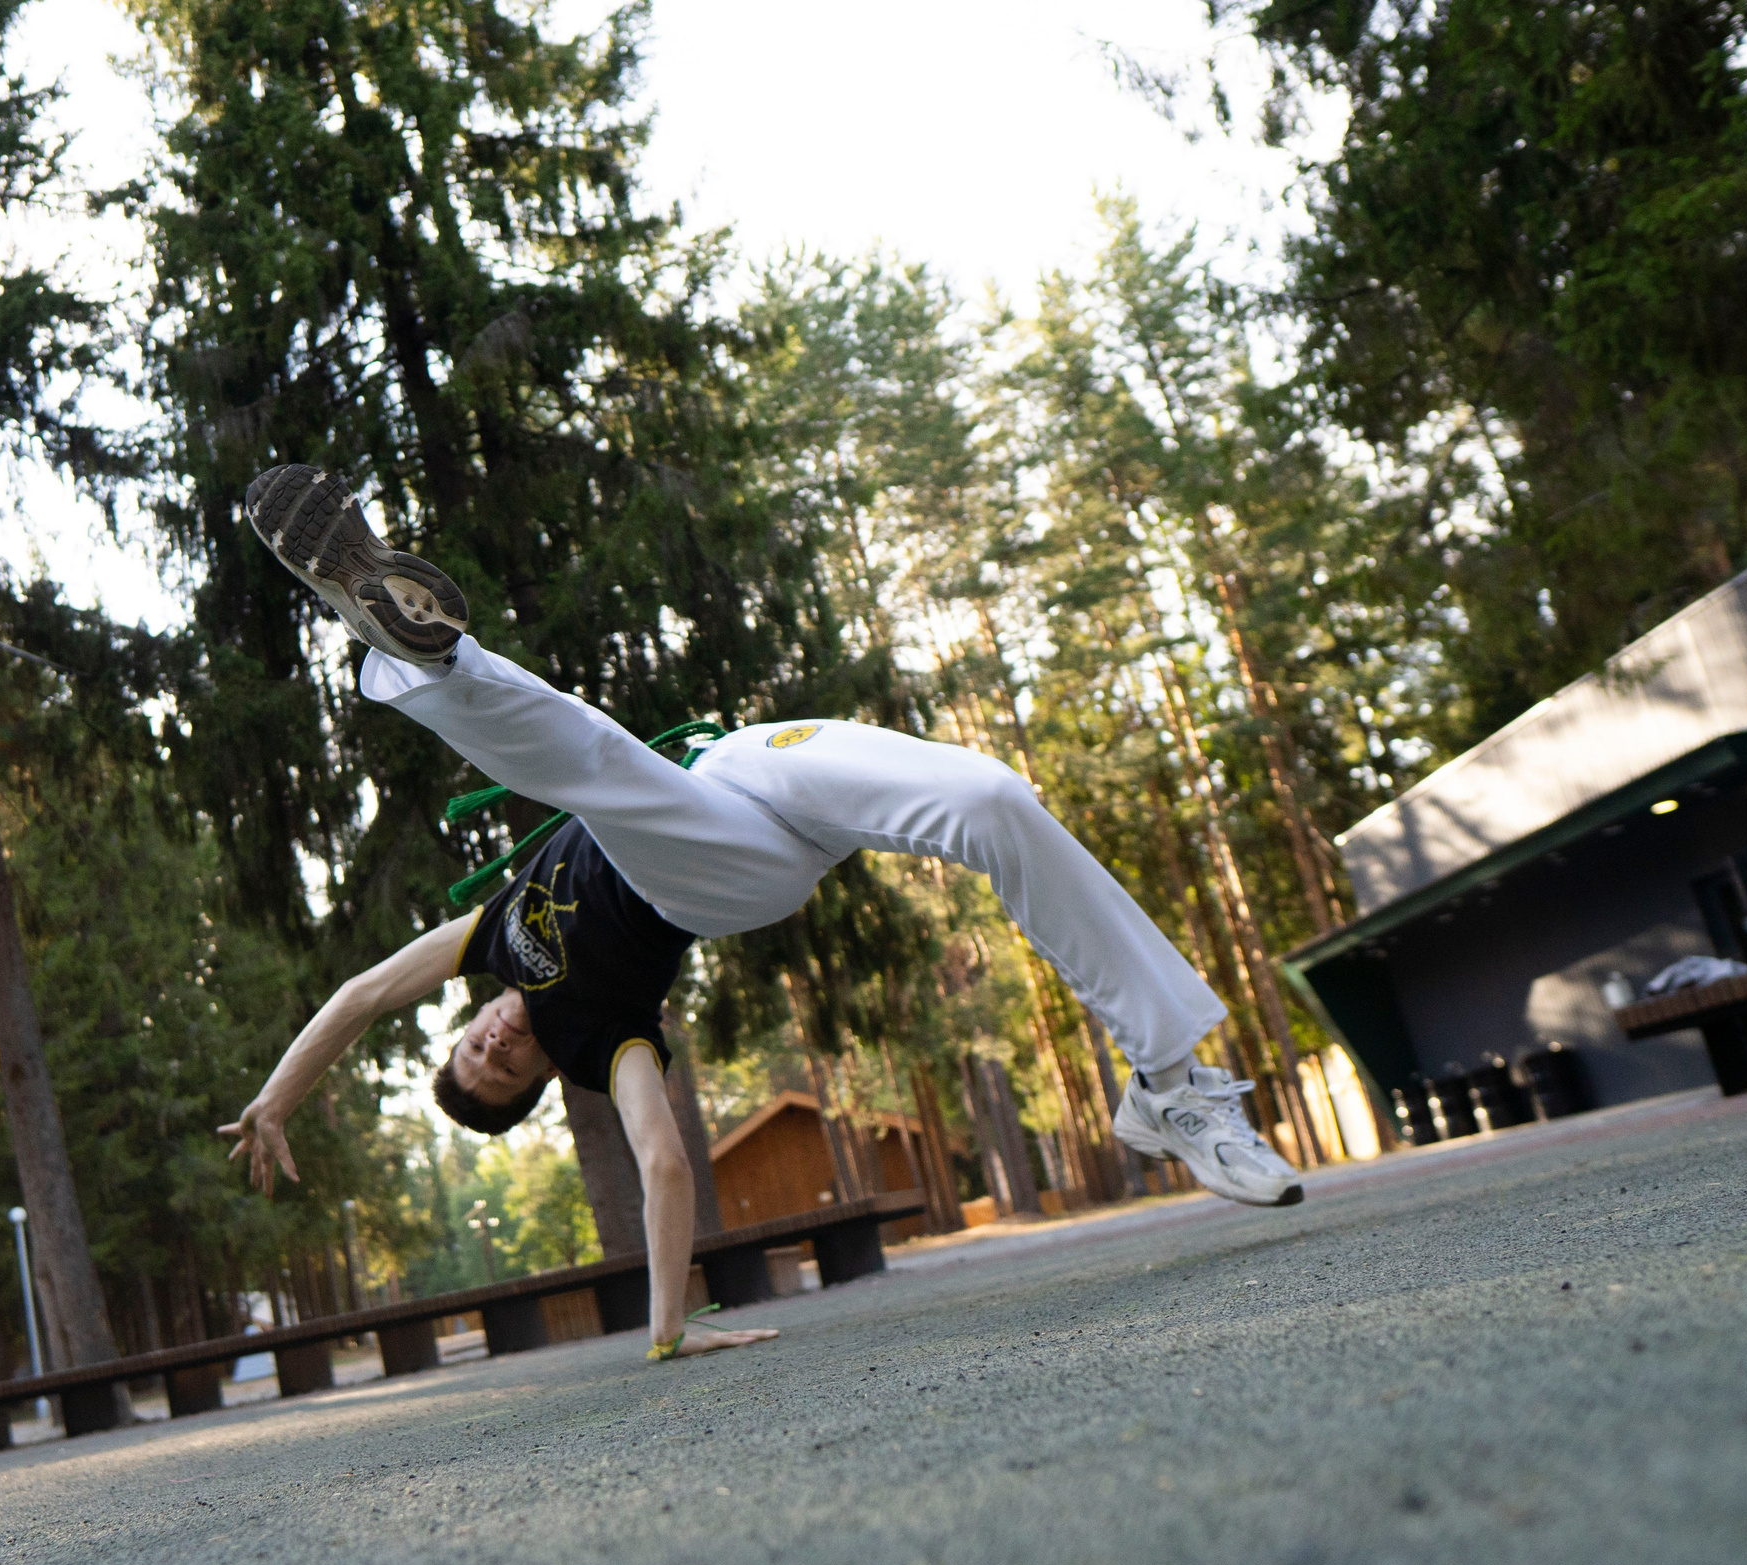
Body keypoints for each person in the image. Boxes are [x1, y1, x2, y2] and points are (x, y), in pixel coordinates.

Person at [221, 466, 1303, 1362]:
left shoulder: (487, 937)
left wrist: (276, 1099)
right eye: (505, 1069)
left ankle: (1166, 1087)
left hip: (737, 766)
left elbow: (360, 995)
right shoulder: (607, 1041)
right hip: (714, 877)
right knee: (597, 768)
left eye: (474, 1043)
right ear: (543, 1081)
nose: (497, 1041)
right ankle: (430, 653)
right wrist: (665, 1333)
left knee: (990, 798)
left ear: (466, 1017)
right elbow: (663, 1167)